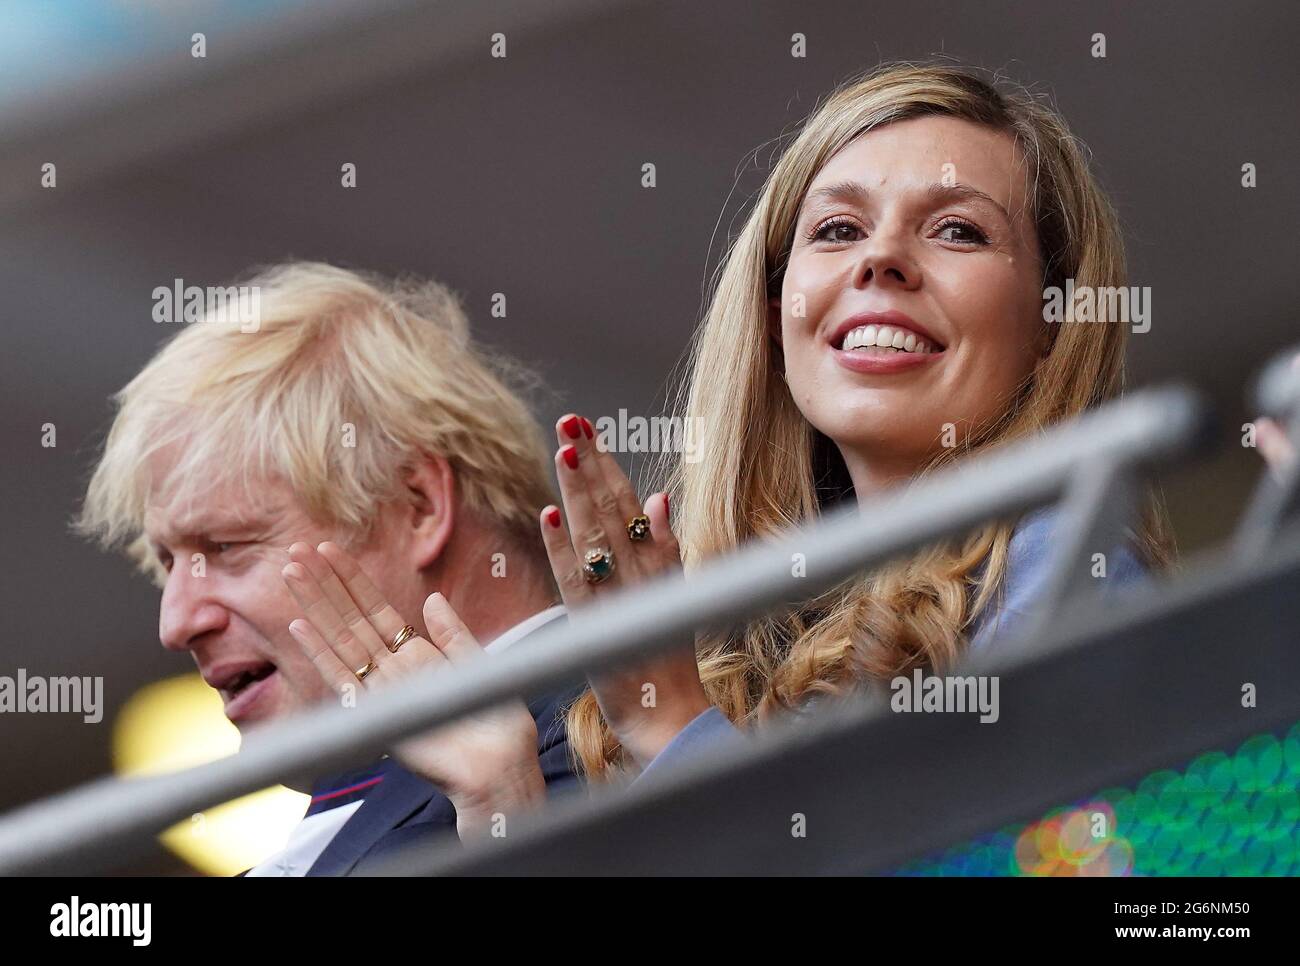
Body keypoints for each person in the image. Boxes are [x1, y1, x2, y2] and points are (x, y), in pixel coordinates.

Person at [300, 62, 1174, 800]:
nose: (881, 259)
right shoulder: (740, 627)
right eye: (836, 229)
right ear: (772, 307)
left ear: (1054, 319)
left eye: (958, 230)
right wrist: (502, 801)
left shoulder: (1071, 561)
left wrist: (673, 720)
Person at [77, 261, 577, 874]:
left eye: (228, 547)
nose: (176, 622)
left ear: (418, 505)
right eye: (167, 561)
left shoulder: (612, 746)